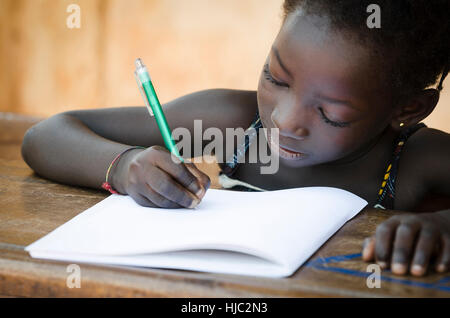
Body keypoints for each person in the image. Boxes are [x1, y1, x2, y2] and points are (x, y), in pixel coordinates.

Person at [21, 0, 449, 277]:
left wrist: (439, 227)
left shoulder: (415, 161)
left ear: (408, 109)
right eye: (275, 78)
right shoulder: (231, 122)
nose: (284, 119)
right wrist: (126, 165)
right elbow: (47, 135)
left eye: (330, 113)